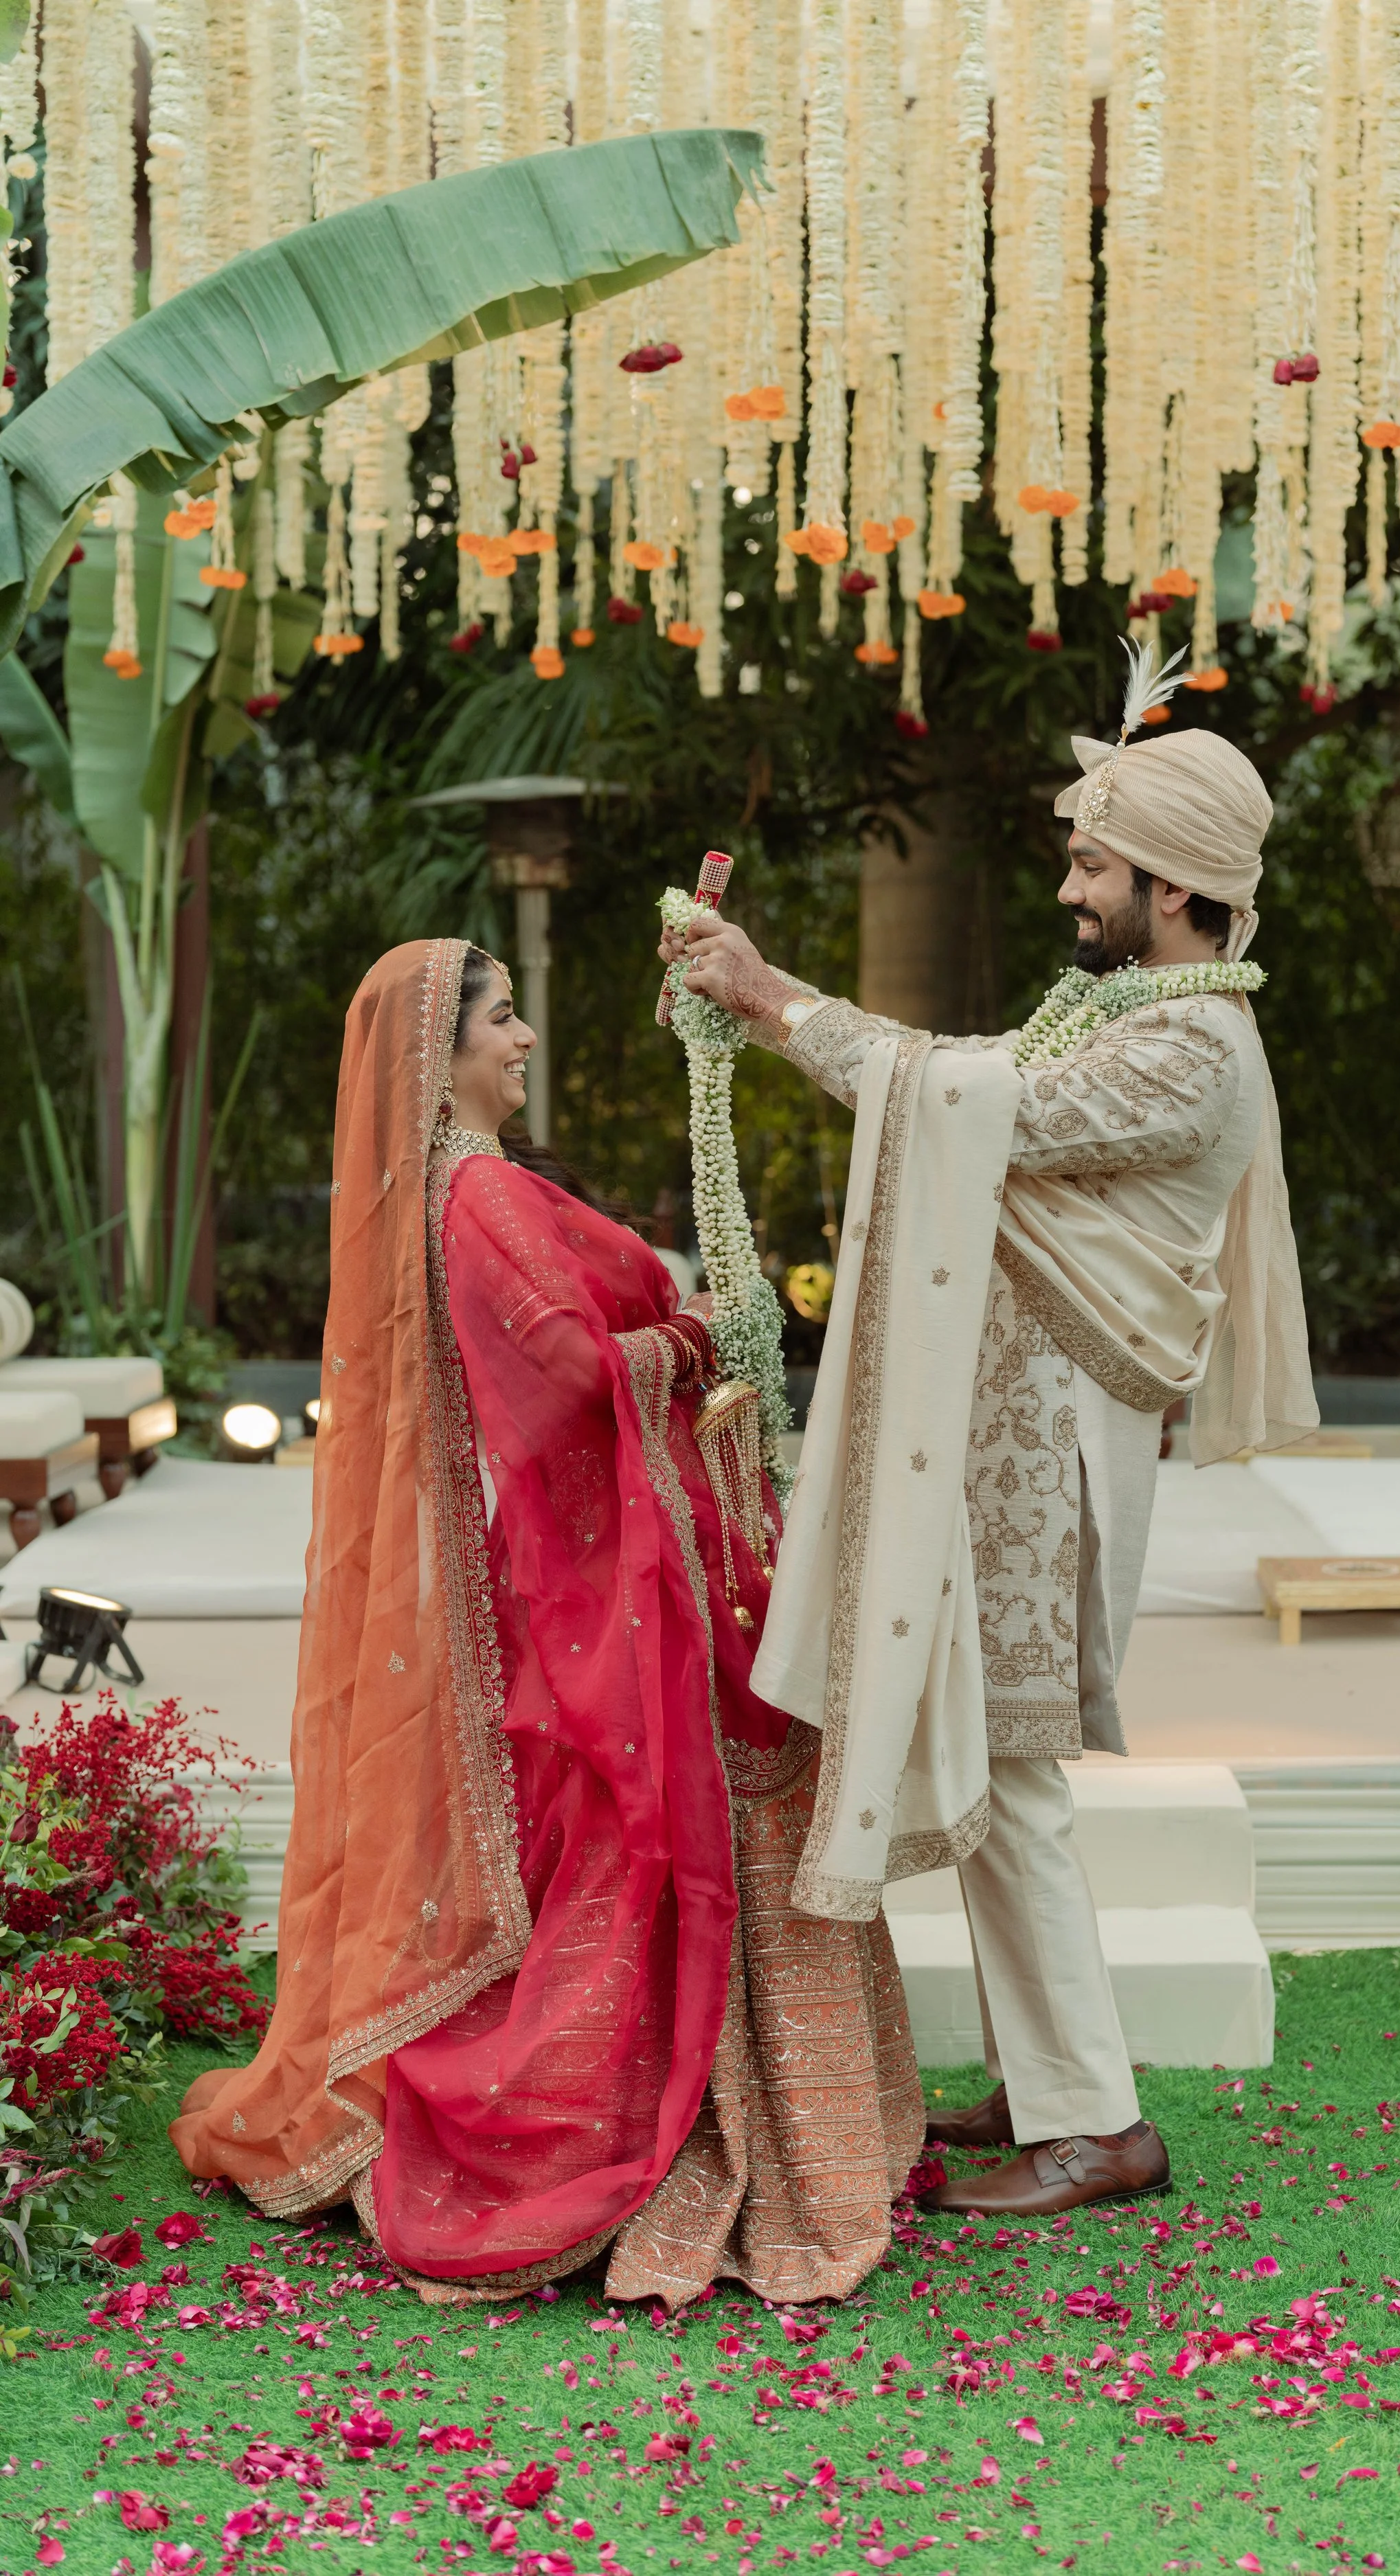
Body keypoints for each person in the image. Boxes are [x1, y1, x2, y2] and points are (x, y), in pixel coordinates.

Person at [658, 651, 1316, 2219]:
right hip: (1017, 1449)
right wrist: (754, 1016)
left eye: (1094, 862)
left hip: (1056, 1465)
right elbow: (958, 1084)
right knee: (1004, 1767)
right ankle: (1049, 2082)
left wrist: (764, 996)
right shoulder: (1118, 1015)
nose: (1072, 886)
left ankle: (1093, 2121)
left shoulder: (1186, 1051)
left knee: (1013, 1774)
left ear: (1169, 887)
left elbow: (956, 1104)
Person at [172, 938, 921, 2304]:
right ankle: (607, 2130)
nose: (523, 1039)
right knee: (624, 1849)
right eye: (501, 1018)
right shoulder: (486, 1198)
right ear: (434, 1055)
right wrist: (698, 1340)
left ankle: (664, 2105)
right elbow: (573, 1371)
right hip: (597, 1590)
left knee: (599, 1849)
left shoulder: (452, 1197)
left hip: (573, 1576)